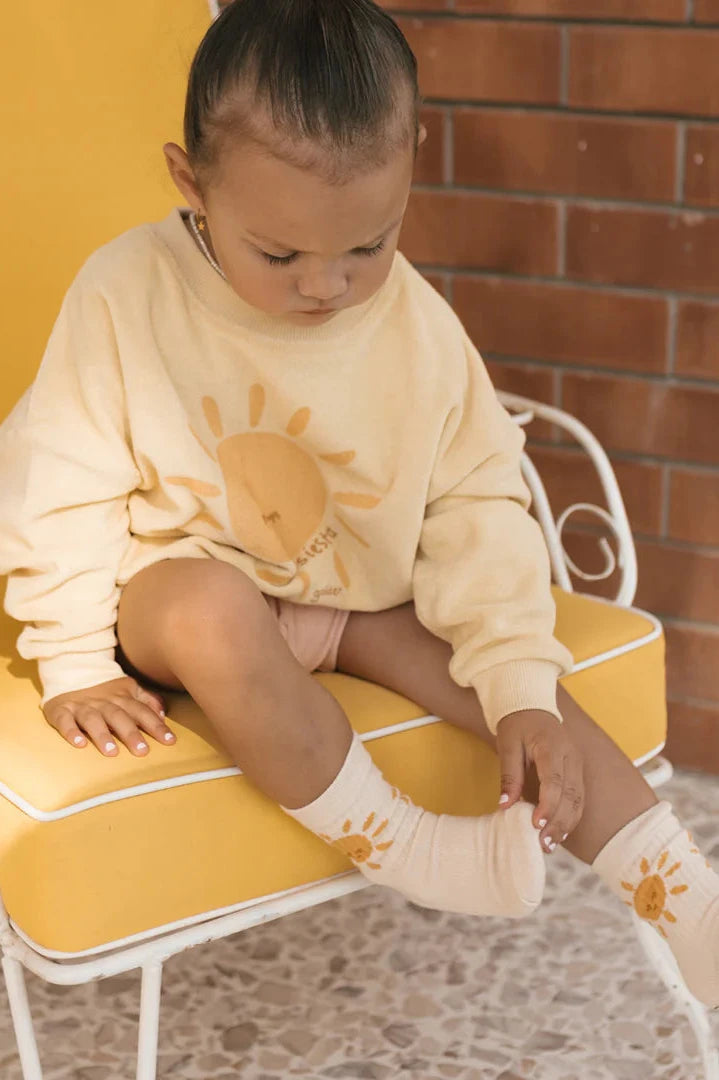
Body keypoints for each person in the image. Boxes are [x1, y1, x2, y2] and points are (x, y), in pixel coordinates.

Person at [0, 0, 716, 1007]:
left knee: (519, 687)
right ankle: (408, 847)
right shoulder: (126, 292)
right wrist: (69, 658)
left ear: (412, 164)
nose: (326, 287)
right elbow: (59, 468)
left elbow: (476, 496)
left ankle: (690, 906)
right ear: (188, 181)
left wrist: (514, 686)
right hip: (170, 601)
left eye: (366, 247)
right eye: (280, 256)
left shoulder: (415, 323)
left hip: (352, 604)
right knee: (212, 609)